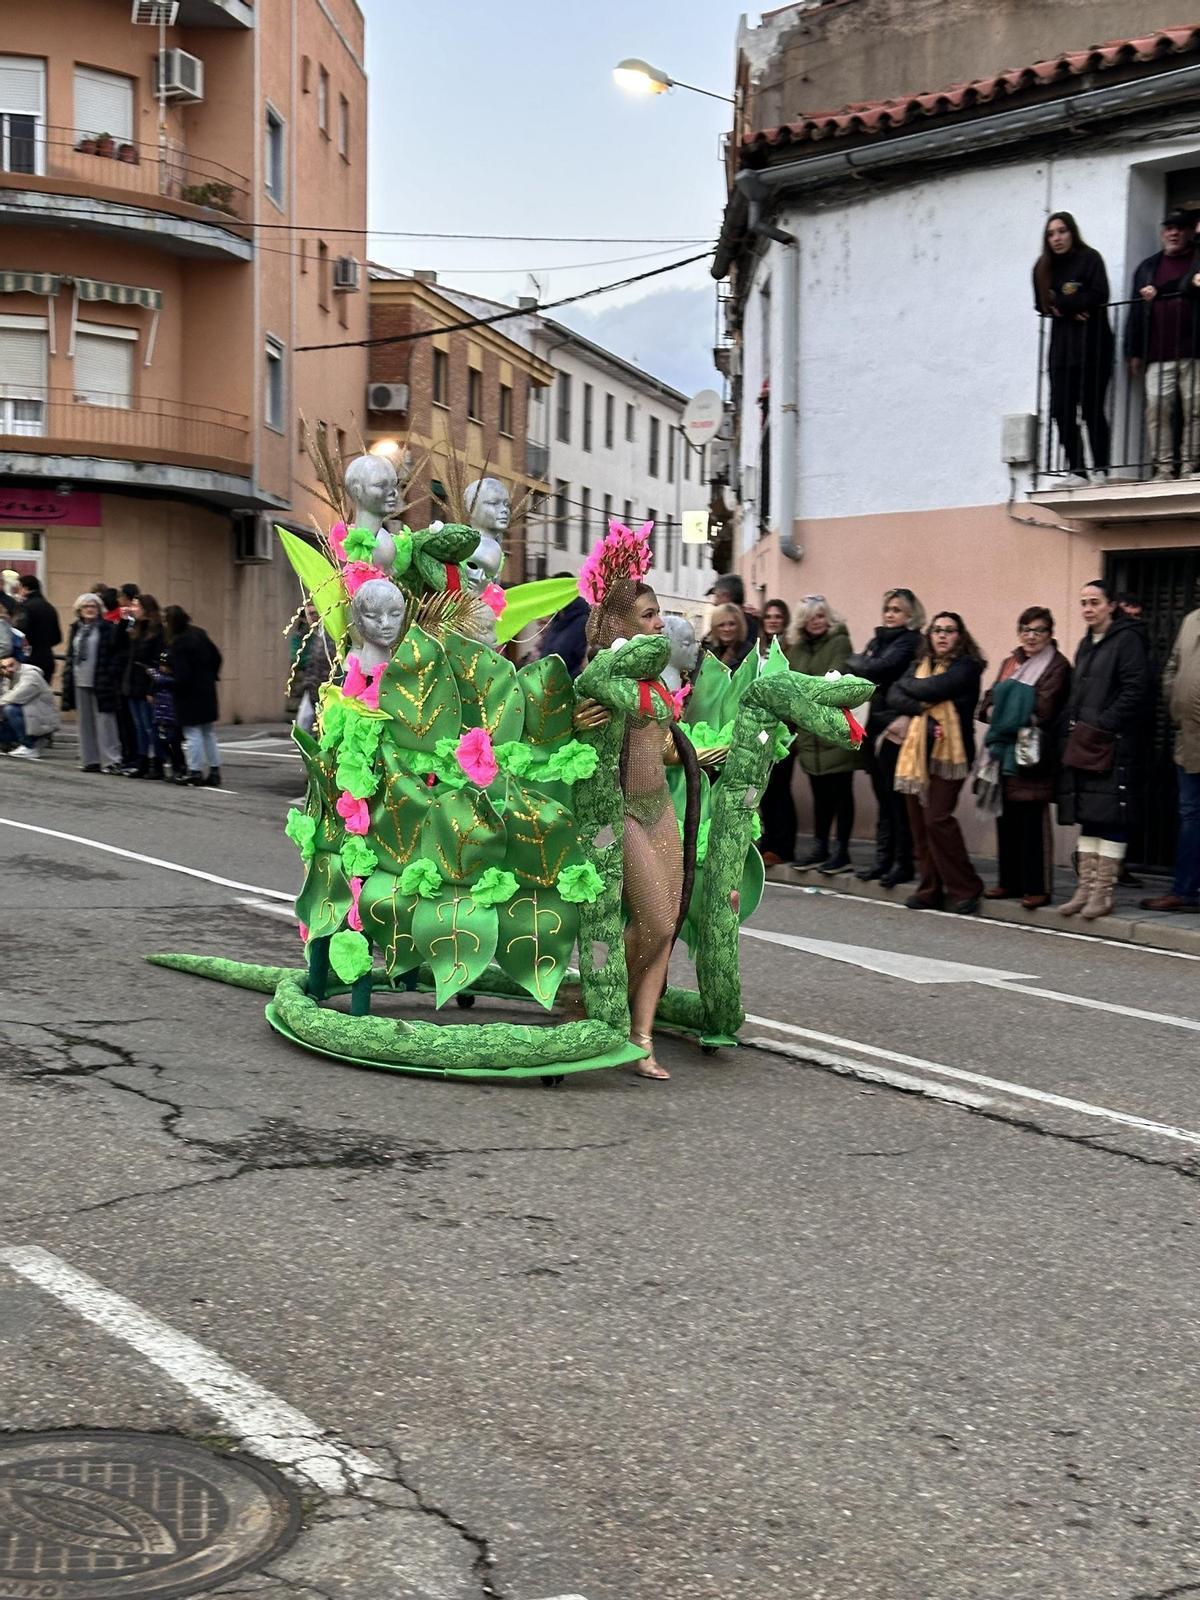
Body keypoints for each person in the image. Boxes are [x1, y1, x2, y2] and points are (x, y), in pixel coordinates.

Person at [1056, 579, 1151, 919]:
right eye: (1083, 602)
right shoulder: (1086, 643)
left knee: (1110, 815)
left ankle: (1103, 893)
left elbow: (1135, 690)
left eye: (1094, 602)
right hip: (1085, 742)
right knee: (1090, 815)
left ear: (1111, 605)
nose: (1088, 608)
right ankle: (1085, 890)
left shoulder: (1127, 640)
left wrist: (1103, 725)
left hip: (1111, 744)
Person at [888, 611, 986, 913]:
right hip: (916, 752)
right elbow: (893, 694)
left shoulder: (968, 667)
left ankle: (966, 887)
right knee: (919, 822)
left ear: (960, 636)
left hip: (951, 754)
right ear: (929, 635)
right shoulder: (920, 665)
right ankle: (929, 888)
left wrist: (913, 697)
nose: (943, 635)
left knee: (937, 819)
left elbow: (934, 688)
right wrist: (921, 707)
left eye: (950, 630)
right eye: (937, 630)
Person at [978, 607, 1072, 908]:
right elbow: (987, 703)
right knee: (1006, 820)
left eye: (1039, 630)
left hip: (1032, 753)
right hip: (1001, 754)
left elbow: (1041, 709)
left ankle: (1037, 887)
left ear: (1050, 634)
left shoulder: (1057, 666)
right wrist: (1006, 706)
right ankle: (1009, 882)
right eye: (1026, 629)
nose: (1031, 636)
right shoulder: (1010, 662)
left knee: (1033, 822)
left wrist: (1002, 711)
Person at [846, 587, 925, 886]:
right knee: (882, 798)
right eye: (888, 609)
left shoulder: (911, 642)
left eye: (897, 610)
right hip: (874, 722)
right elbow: (864, 672)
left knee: (896, 800)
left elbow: (879, 667)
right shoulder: (879, 640)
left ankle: (902, 862)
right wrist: (862, 665)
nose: (890, 614)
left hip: (895, 726)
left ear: (910, 615)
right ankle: (883, 860)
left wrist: (859, 662)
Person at [1033, 212, 1114, 485]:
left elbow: (1099, 294)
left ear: (1072, 233)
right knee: (1061, 410)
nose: (1056, 238)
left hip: (1093, 347)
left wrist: (1065, 305)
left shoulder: (1090, 258)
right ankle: (1077, 470)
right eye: (1051, 233)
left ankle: (1101, 469)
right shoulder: (1044, 268)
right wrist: (1073, 308)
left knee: (1091, 409)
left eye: (1062, 231)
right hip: (1062, 351)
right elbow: (1043, 305)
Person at [1140, 580, 1200, 913]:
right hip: (1188, 738)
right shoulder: (1192, 620)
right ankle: (1185, 890)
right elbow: (1173, 666)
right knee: (1190, 816)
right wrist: (1175, 702)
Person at [1127, 209, 1200, 480]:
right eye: (1169, 228)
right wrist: (1133, 351)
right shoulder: (1148, 267)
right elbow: (1135, 311)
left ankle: (1191, 465)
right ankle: (1165, 467)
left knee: (1196, 409)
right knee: (1157, 409)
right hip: (1158, 353)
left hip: (1195, 350)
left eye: (1180, 228)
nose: (1174, 233)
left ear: (1189, 232)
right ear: (1162, 233)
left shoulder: (1197, 260)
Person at [786, 596, 856, 873]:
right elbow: (790, 683)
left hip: (835, 729)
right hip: (810, 734)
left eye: (822, 615)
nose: (818, 621)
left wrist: (806, 694)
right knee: (820, 793)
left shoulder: (839, 642)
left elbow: (835, 679)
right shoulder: (798, 648)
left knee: (841, 791)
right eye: (812, 616)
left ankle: (842, 850)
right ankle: (820, 846)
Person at [61, 593, 122, 773]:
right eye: (86, 606)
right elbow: (71, 654)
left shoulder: (106, 628)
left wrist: (111, 672)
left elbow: (115, 652)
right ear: (79, 610)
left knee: (105, 722)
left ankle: (111, 760)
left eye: (93, 606)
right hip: (80, 679)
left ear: (99, 609)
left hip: (101, 679)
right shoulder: (77, 629)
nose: (89, 610)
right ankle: (90, 759)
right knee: (85, 722)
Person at [164, 604, 223, 787]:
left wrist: (168, 681)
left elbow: (182, 676)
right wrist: (211, 676)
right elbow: (217, 657)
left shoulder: (179, 643)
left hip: (189, 694)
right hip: (206, 689)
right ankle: (214, 771)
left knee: (193, 734)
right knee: (208, 733)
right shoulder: (199, 634)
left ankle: (195, 771)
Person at [123, 593, 165, 777]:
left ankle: (157, 762)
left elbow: (158, 662)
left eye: (136, 606)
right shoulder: (137, 629)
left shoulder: (157, 632)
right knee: (139, 725)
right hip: (133, 681)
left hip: (147, 682)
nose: (133, 609)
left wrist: (152, 688)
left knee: (150, 726)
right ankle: (142, 761)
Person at [0, 653, 59, 757]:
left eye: (11, 665)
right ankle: (16, 743)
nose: (8, 669)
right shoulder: (8, 679)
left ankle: (30, 746)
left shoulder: (31, 675)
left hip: (41, 722)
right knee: (6, 710)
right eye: (3, 668)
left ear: (18, 663)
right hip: (30, 719)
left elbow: (17, 696)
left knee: (10, 709)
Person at [290, 601, 336, 734]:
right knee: (303, 724)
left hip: (327, 687)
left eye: (316, 613)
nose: (314, 617)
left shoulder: (327, 633)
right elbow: (298, 660)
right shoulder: (303, 636)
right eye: (310, 613)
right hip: (310, 686)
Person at [14, 574, 61, 684]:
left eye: (19, 588)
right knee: (43, 697)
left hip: (28, 661)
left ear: (25, 588)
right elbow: (57, 637)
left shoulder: (24, 607)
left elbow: (19, 633)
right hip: (47, 659)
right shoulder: (50, 608)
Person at [537, 589, 590, 678]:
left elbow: (582, 658)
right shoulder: (557, 619)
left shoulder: (582, 621)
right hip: (548, 682)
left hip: (566, 684)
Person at [709, 573, 760, 653]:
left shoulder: (750, 627)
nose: (714, 603)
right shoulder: (753, 622)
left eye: (717, 596)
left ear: (726, 596)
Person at [703, 601, 753, 669]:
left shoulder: (749, 652)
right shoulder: (706, 649)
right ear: (714, 627)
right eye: (721, 625)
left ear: (740, 625)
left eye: (732, 624)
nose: (727, 629)